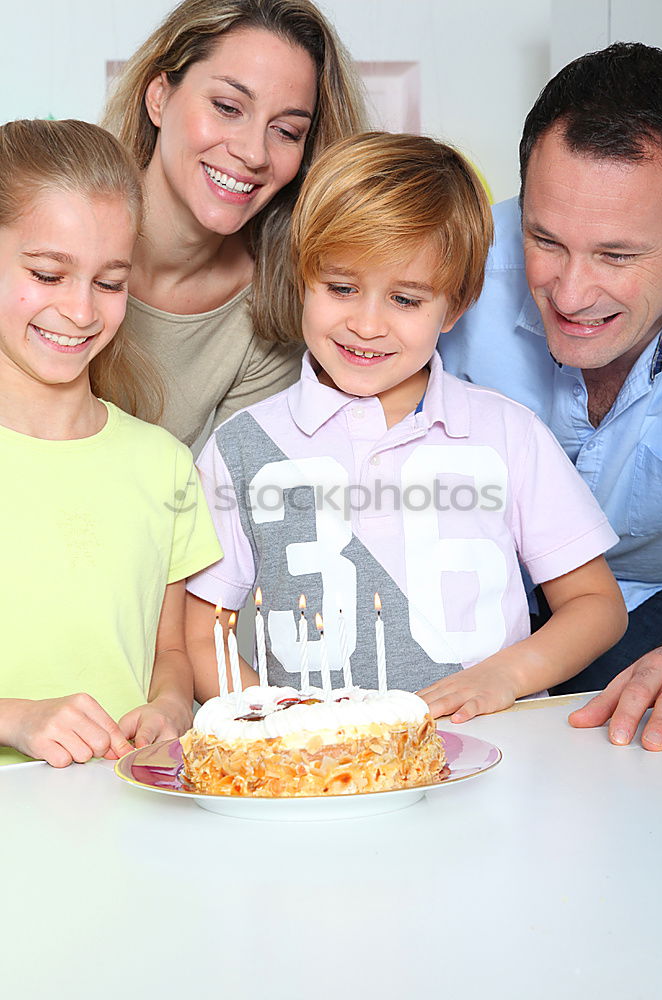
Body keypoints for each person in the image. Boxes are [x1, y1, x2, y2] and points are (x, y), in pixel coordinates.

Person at [184, 131, 627, 721]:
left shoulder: (509, 435)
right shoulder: (240, 448)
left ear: (458, 304)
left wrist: (508, 675)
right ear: (300, 279)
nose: (366, 326)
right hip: (323, 773)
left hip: (500, 762)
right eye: (341, 288)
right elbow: (201, 629)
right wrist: (280, 726)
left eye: (406, 299)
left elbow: (596, 605)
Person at [439, 42, 662, 750]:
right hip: (477, 592)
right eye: (544, 239)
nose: (569, 294)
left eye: (616, 256)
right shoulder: (450, 265)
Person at [0, 119, 222, 768]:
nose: (80, 311)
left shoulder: (164, 466)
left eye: (109, 282)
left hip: (128, 821)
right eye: (47, 274)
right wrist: (17, 717)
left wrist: (172, 707)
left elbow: (170, 654)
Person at [102, 0, 366, 446]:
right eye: (228, 107)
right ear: (159, 98)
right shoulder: (36, 240)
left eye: (286, 131)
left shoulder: (274, 310)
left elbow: (216, 499)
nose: (254, 153)